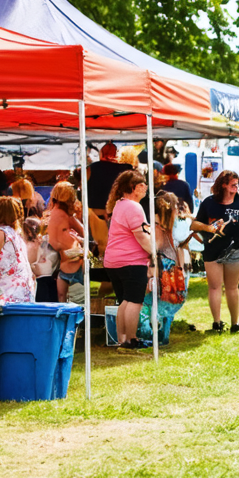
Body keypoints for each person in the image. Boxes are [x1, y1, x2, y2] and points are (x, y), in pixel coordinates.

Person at [192, 170, 239, 334]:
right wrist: (207, 227)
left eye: (237, 184)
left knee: (232, 287)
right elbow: (194, 225)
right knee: (215, 287)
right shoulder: (209, 202)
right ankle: (217, 324)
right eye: (233, 184)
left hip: (235, 249)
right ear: (223, 185)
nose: (236, 187)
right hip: (212, 249)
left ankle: (235, 324)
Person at [103, 170, 154, 350]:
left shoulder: (120, 205)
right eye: (142, 185)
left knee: (124, 301)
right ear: (133, 187)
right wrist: (155, 253)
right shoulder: (133, 207)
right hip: (131, 261)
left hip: (114, 261)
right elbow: (141, 236)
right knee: (134, 301)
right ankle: (131, 339)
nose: (145, 187)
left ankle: (123, 339)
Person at [46, 182, 86, 302]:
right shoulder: (63, 215)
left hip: (72, 260)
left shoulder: (57, 215)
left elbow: (84, 233)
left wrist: (76, 238)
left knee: (64, 298)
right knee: (66, 297)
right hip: (67, 262)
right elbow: (83, 231)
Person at [86, 143, 131, 223]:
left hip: (96, 211)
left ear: (101, 153)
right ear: (115, 154)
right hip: (118, 211)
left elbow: (83, 187)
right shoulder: (125, 168)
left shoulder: (92, 168)